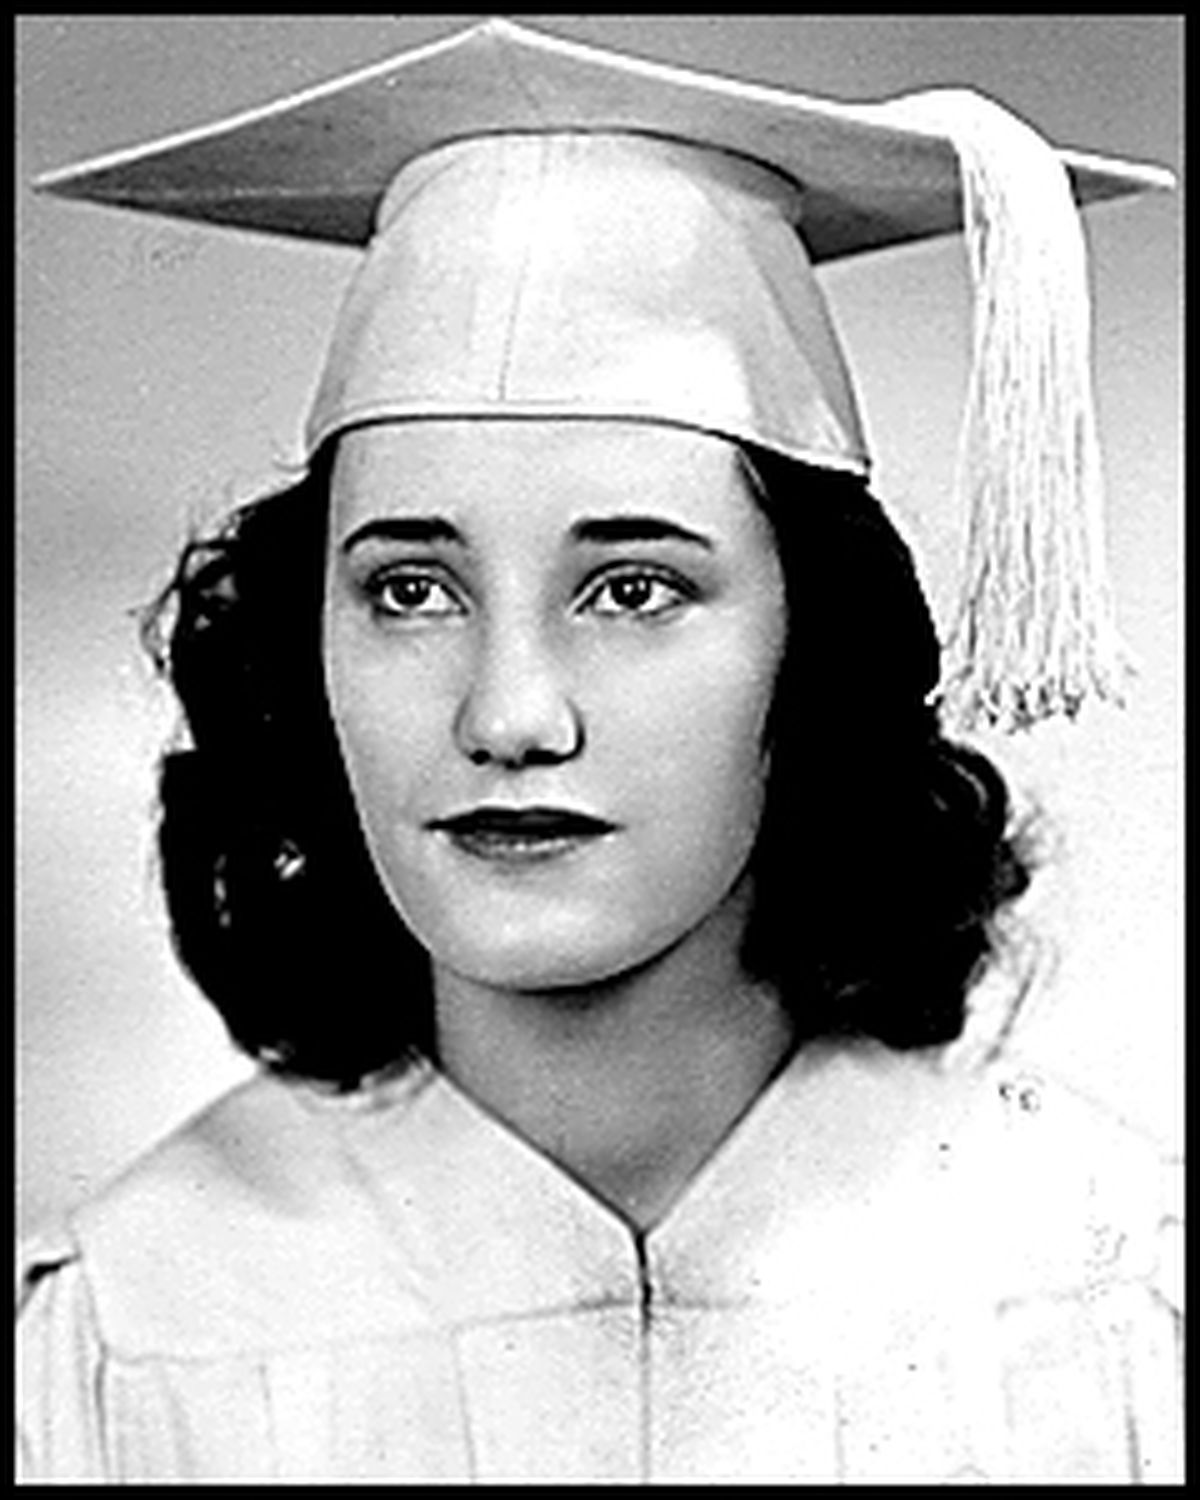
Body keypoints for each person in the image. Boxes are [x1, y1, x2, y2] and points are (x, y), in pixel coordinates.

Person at [17, 19, 1181, 1482]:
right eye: (410, 591)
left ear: (814, 651)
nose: (509, 717)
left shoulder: (1109, 1291)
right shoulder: (131, 1330)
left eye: (633, 589)